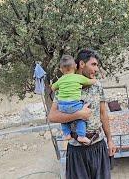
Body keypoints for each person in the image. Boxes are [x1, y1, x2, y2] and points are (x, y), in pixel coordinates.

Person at [48, 49, 116, 179]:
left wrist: (110, 140)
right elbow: (52, 117)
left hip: (98, 144)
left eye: (97, 65)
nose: (96, 69)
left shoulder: (97, 86)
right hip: (76, 149)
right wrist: (79, 115)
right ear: (82, 64)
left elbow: (103, 114)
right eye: (94, 64)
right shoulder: (64, 86)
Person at [51, 55, 97, 144]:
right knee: (82, 117)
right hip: (74, 105)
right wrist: (94, 80)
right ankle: (81, 136)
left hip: (62, 105)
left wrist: (55, 87)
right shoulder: (78, 77)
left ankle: (67, 134)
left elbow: (53, 88)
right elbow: (89, 82)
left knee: (63, 120)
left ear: (61, 69)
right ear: (75, 66)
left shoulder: (60, 80)